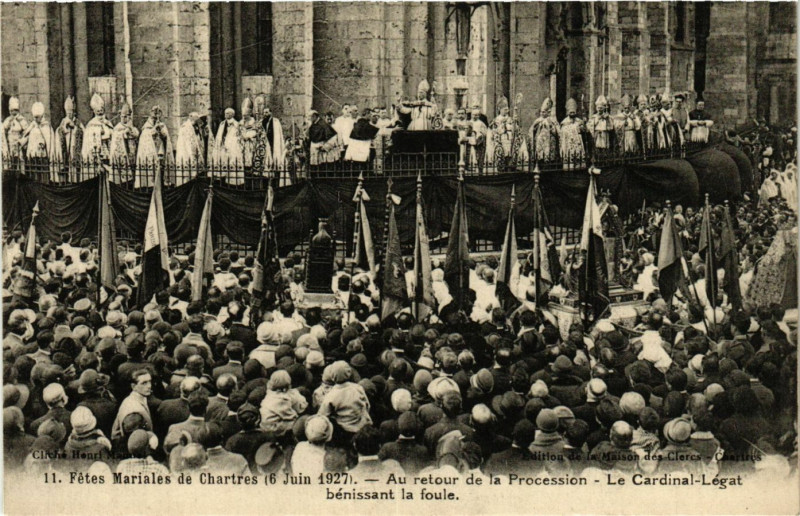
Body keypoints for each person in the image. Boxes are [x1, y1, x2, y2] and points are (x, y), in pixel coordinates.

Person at [136, 106, 175, 188]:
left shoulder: (162, 125)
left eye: (158, 112)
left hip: (161, 154)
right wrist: (153, 131)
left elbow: (166, 138)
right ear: (150, 113)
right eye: (154, 112)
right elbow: (146, 138)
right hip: (151, 155)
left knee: (162, 174)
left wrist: (161, 132)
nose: (156, 114)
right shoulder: (146, 127)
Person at [55, 96, 85, 183]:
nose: (70, 115)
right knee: (66, 163)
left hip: (74, 146)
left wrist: (74, 128)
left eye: (71, 113)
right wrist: (65, 129)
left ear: (73, 112)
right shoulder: (63, 122)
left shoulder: (77, 122)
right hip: (66, 146)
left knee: (75, 166)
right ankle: (67, 181)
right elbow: (59, 132)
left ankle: (76, 181)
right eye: (68, 113)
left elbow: (82, 132)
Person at [109, 102, 140, 184]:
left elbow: (136, 134)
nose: (125, 119)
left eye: (128, 116)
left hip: (132, 154)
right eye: (124, 117)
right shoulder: (117, 128)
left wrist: (130, 129)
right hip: (122, 155)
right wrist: (125, 133)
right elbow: (117, 140)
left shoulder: (131, 127)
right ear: (120, 116)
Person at [212, 108, 244, 184]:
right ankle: (221, 180)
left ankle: (232, 182)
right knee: (222, 164)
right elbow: (219, 136)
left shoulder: (237, 124)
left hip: (232, 149)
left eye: (227, 113)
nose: (225, 115)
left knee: (232, 165)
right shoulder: (222, 124)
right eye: (225, 113)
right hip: (222, 148)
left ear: (232, 114)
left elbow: (238, 137)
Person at [81, 94, 114, 167]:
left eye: (101, 110)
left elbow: (112, 134)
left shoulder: (108, 122)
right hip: (97, 151)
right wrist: (99, 132)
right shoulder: (91, 124)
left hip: (107, 148)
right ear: (94, 112)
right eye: (97, 111)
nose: (100, 112)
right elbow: (89, 140)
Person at [257, 102, 286, 171]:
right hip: (265, 143)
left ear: (270, 113)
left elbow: (280, 134)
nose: (265, 114)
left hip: (273, 141)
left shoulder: (276, 121)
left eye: (266, 112)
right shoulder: (261, 122)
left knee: (275, 159)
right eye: (264, 113)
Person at [174, 112, 205, 177]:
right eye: (196, 117)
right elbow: (187, 142)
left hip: (194, 152)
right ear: (191, 117)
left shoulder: (195, 127)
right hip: (186, 152)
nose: (197, 119)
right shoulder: (185, 127)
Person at [529, 97, 560, 163]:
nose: (541, 114)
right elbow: (532, 130)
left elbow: (557, 132)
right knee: (540, 159)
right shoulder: (538, 120)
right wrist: (535, 127)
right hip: (540, 144)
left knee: (550, 160)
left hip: (550, 143)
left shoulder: (552, 120)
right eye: (541, 112)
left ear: (548, 112)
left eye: (543, 112)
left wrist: (551, 128)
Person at [560, 98, 587, 170]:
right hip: (568, 143)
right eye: (571, 112)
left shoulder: (579, 121)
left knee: (578, 158)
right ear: (568, 112)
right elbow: (562, 133)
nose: (572, 114)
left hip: (577, 143)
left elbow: (584, 131)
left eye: (573, 112)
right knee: (569, 157)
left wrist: (584, 124)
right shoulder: (564, 122)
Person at [3, 96, 28, 160]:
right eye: (12, 111)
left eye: (15, 110)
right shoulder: (8, 120)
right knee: (11, 160)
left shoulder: (22, 120)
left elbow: (27, 131)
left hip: (19, 143)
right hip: (10, 143)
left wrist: (22, 140)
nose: (13, 112)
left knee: (20, 160)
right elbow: (3, 129)